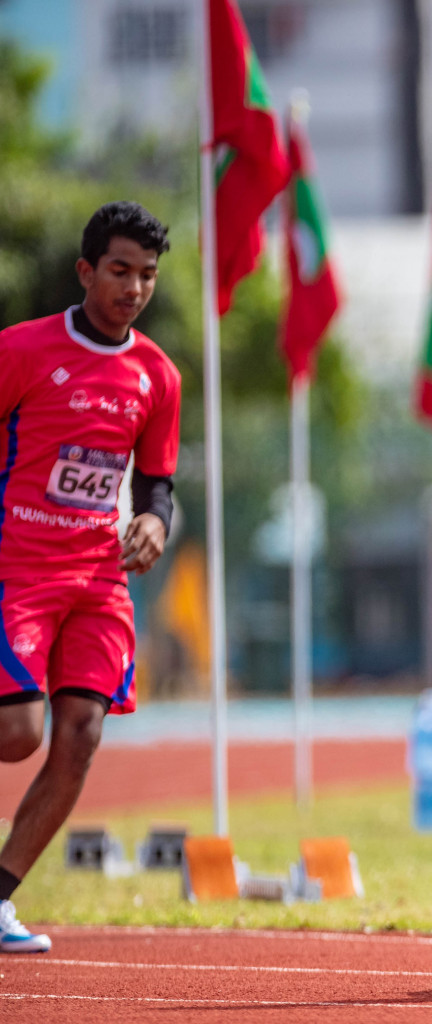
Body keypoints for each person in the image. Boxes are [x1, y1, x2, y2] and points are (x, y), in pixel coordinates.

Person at [0, 202, 181, 953]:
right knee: (16, 735)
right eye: (119, 270)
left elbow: (158, 483)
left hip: (99, 581)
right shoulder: (21, 349)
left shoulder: (158, 375)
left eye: (146, 275)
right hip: (18, 569)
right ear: (86, 271)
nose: (133, 288)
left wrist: (155, 524)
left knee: (80, 735)